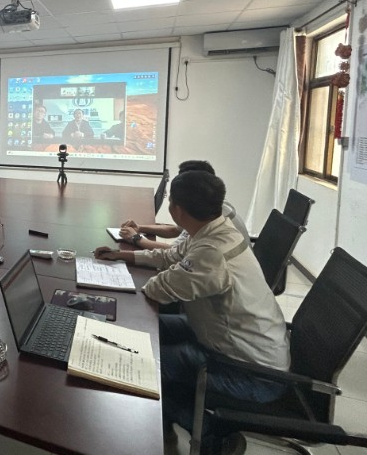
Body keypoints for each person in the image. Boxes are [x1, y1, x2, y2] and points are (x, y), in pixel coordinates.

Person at [97, 172, 289, 452]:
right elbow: (171, 257)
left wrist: (128, 281)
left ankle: (212, 434)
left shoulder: (211, 251)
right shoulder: (215, 229)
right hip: (229, 340)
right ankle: (167, 422)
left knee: (140, 366)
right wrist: (123, 255)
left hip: (248, 372)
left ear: (177, 210)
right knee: (145, 330)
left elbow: (159, 289)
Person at [108, 160, 250, 252]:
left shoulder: (208, 218)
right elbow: (175, 230)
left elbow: (173, 252)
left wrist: (136, 238)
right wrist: (140, 228)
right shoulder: (214, 206)